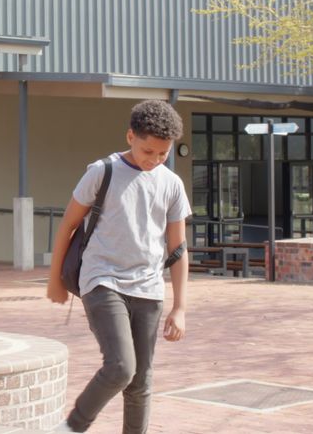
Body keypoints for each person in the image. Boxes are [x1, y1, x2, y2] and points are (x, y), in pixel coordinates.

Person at [46, 100, 191, 434]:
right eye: (147, 151)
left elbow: (178, 248)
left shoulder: (171, 184)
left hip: (149, 288)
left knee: (140, 382)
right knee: (121, 367)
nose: (154, 160)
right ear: (130, 136)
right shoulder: (103, 172)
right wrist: (55, 279)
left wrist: (181, 306)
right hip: (102, 280)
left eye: (163, 154)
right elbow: (67, 225)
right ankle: (71, 427)